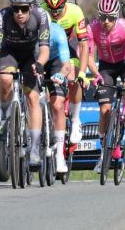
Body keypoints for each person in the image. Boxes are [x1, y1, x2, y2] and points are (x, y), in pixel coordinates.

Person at [0, 0, 50, 167]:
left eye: (23, 8)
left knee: (32, 97)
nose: (19, 13)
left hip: (32, 55)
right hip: (10, 53)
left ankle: (35, 148)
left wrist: (40, 64)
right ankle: (6, 116)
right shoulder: (3, 16)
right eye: (16, 8)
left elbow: (45, 49)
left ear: (31, 7)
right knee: (5, 78)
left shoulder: (41, 16)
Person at [87, 0, 125, 173]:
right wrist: (96, 74)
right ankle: (103, 153)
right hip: (106, 66)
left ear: (117, 16)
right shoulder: (92, 28)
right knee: (104, 110)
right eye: (102, 17)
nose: (106, 21)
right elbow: (89, 57)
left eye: (110, 17)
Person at [41, 0, 89, 145]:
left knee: (74, 76)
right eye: (51, 9)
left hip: (67, 47)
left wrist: (83, 72)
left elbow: (83, 45)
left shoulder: (75, 11)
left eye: (58, 9)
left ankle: (75, 119)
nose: (54, 13)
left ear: (65, 4)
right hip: (46, 49)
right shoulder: (41, 11)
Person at [45, 20, 72, 173]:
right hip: (36, 61)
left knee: (57, 104)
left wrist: (61, 75)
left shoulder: (58, 33)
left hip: (55, 62)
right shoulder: (29, 31)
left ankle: (60, 155)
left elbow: (66, 65)